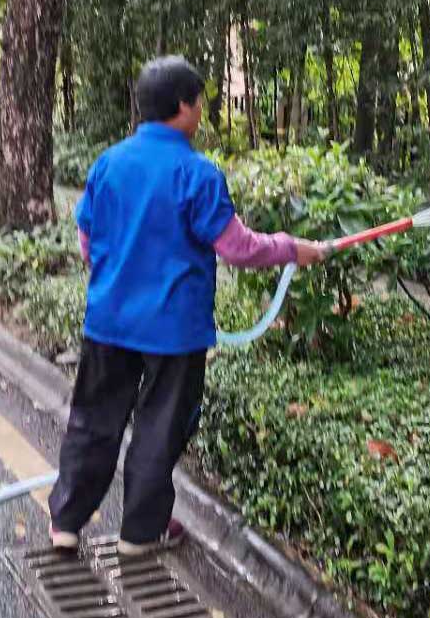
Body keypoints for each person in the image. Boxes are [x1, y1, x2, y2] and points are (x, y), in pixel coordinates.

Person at [48, 55, 327, 556]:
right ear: (182, 106)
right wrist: (291, 248)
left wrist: (118, 275)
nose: (203, 111)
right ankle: (140, 533)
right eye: (200, 102)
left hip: (108, 322)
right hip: (174, 333)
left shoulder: (108, 163)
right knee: (158, 428)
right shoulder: (197, 173)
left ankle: (66, 522)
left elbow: (87, 240)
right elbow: (237, 248)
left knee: (92, 421)